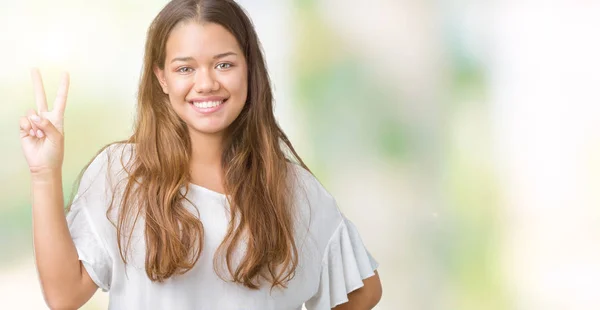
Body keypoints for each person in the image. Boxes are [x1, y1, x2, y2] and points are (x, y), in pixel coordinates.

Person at [18, 0, 382, 309]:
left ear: (249, 68)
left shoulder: (292, 188)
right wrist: (44, 174)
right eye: (185, 68)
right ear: (161, 78)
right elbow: (64, 296)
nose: (206, 83)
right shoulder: (120, 173)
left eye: (224, 64)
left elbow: (363, 291)